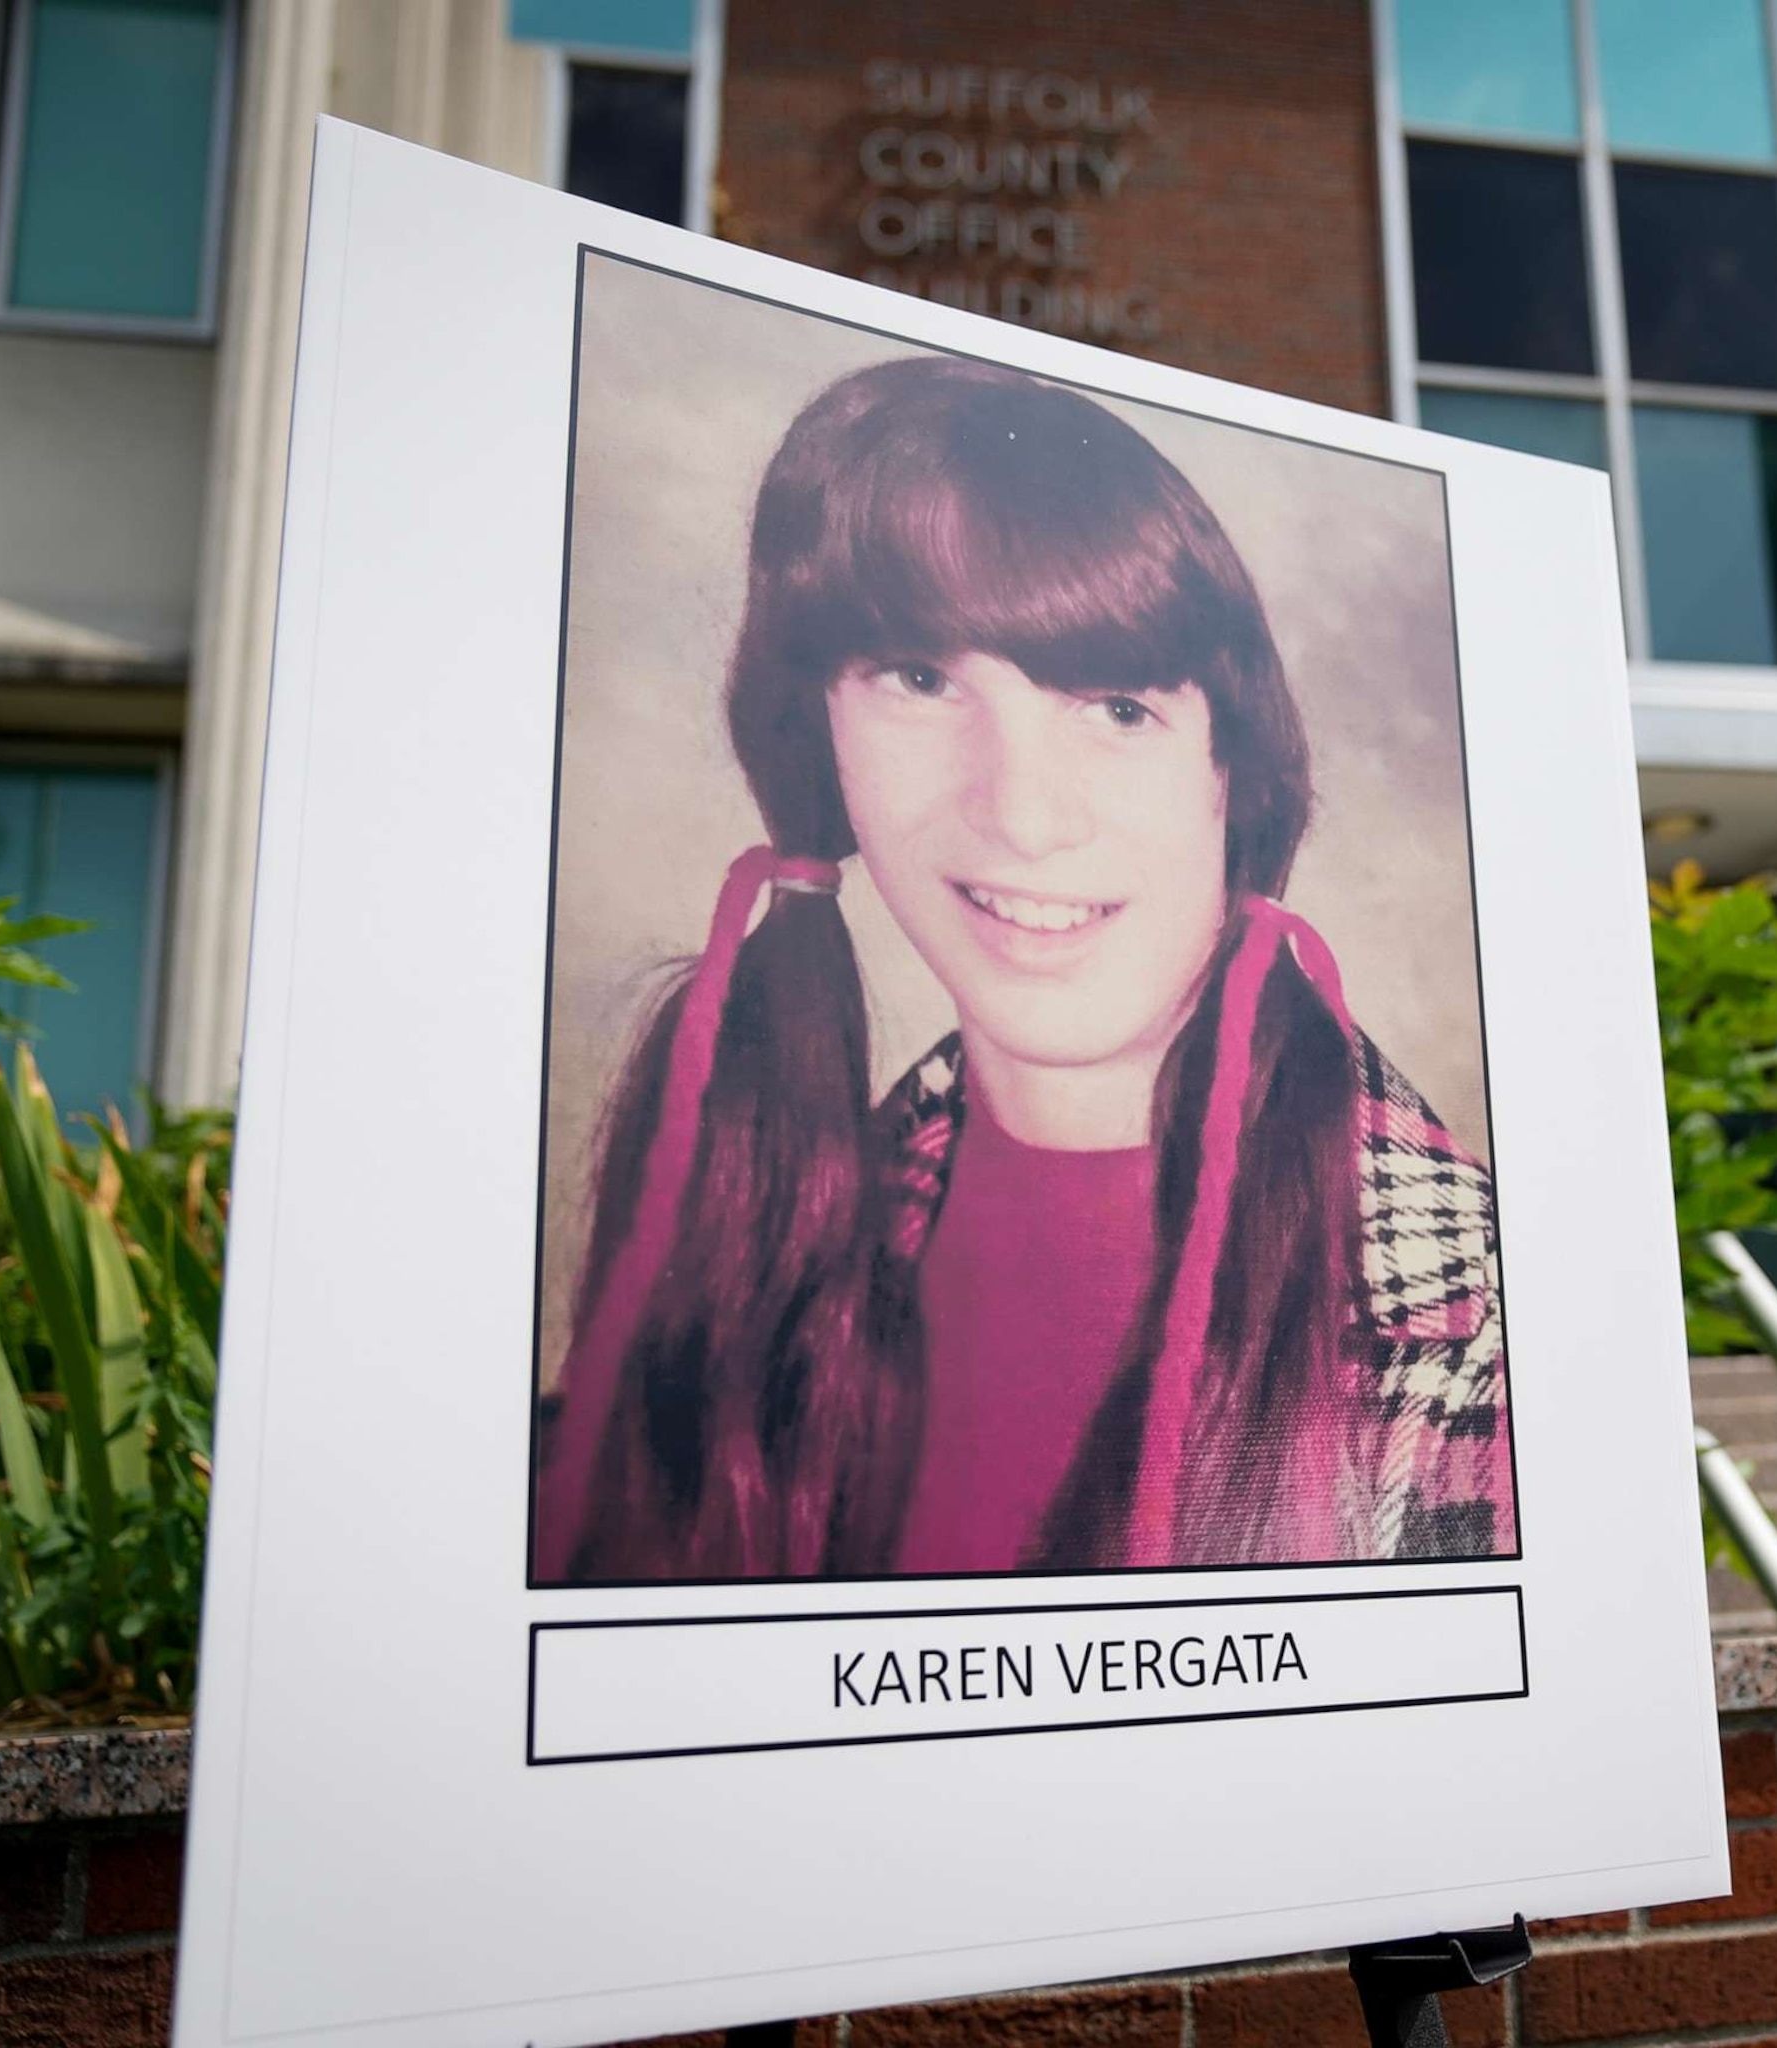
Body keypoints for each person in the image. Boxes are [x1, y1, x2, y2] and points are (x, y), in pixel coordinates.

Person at [533, 356, 1513, 1583]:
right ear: (818, 734)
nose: (1024, 816)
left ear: (1234, 768)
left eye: (1113, 707)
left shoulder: (1464, 1322)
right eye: (922, 678)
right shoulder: (757, 1229)